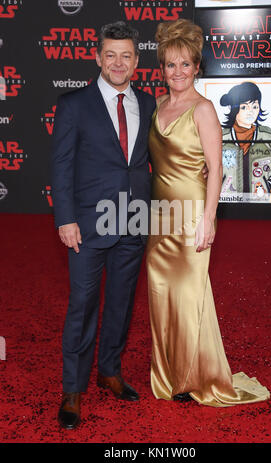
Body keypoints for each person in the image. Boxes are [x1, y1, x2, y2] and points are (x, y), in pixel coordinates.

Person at [146, 19, 271, 406]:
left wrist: (209, 218)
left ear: (197, 67)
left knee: (188, 295)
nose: (178, 72)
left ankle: (191, 375)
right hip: (158, 213)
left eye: (185, 64)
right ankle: (167, 373)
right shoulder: (157, 104)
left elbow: (217, 169)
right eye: (170, 64)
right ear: (162, 69)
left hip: (191, 214)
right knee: (160, 293)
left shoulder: (203, 111)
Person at [51, 21, 157, 429]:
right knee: (82, 306)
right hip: (87, 225)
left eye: (126, 55)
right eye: (110, 54)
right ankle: (72, 389)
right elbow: (60, 166)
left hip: (133, 220)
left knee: (121, 303)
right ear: (98, 58)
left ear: (135, 61)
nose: (118, 62)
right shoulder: (74, 104)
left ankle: (109, 370)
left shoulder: (147, 103)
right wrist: (65, 219)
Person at [220, 81, 271, 199]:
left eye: (255, 106)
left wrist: (269, 182)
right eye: (244, 107)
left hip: (260, 202)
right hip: (226, 202)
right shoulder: (221, 138)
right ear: (233, 109)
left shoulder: (269, 137)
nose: (251, 111)